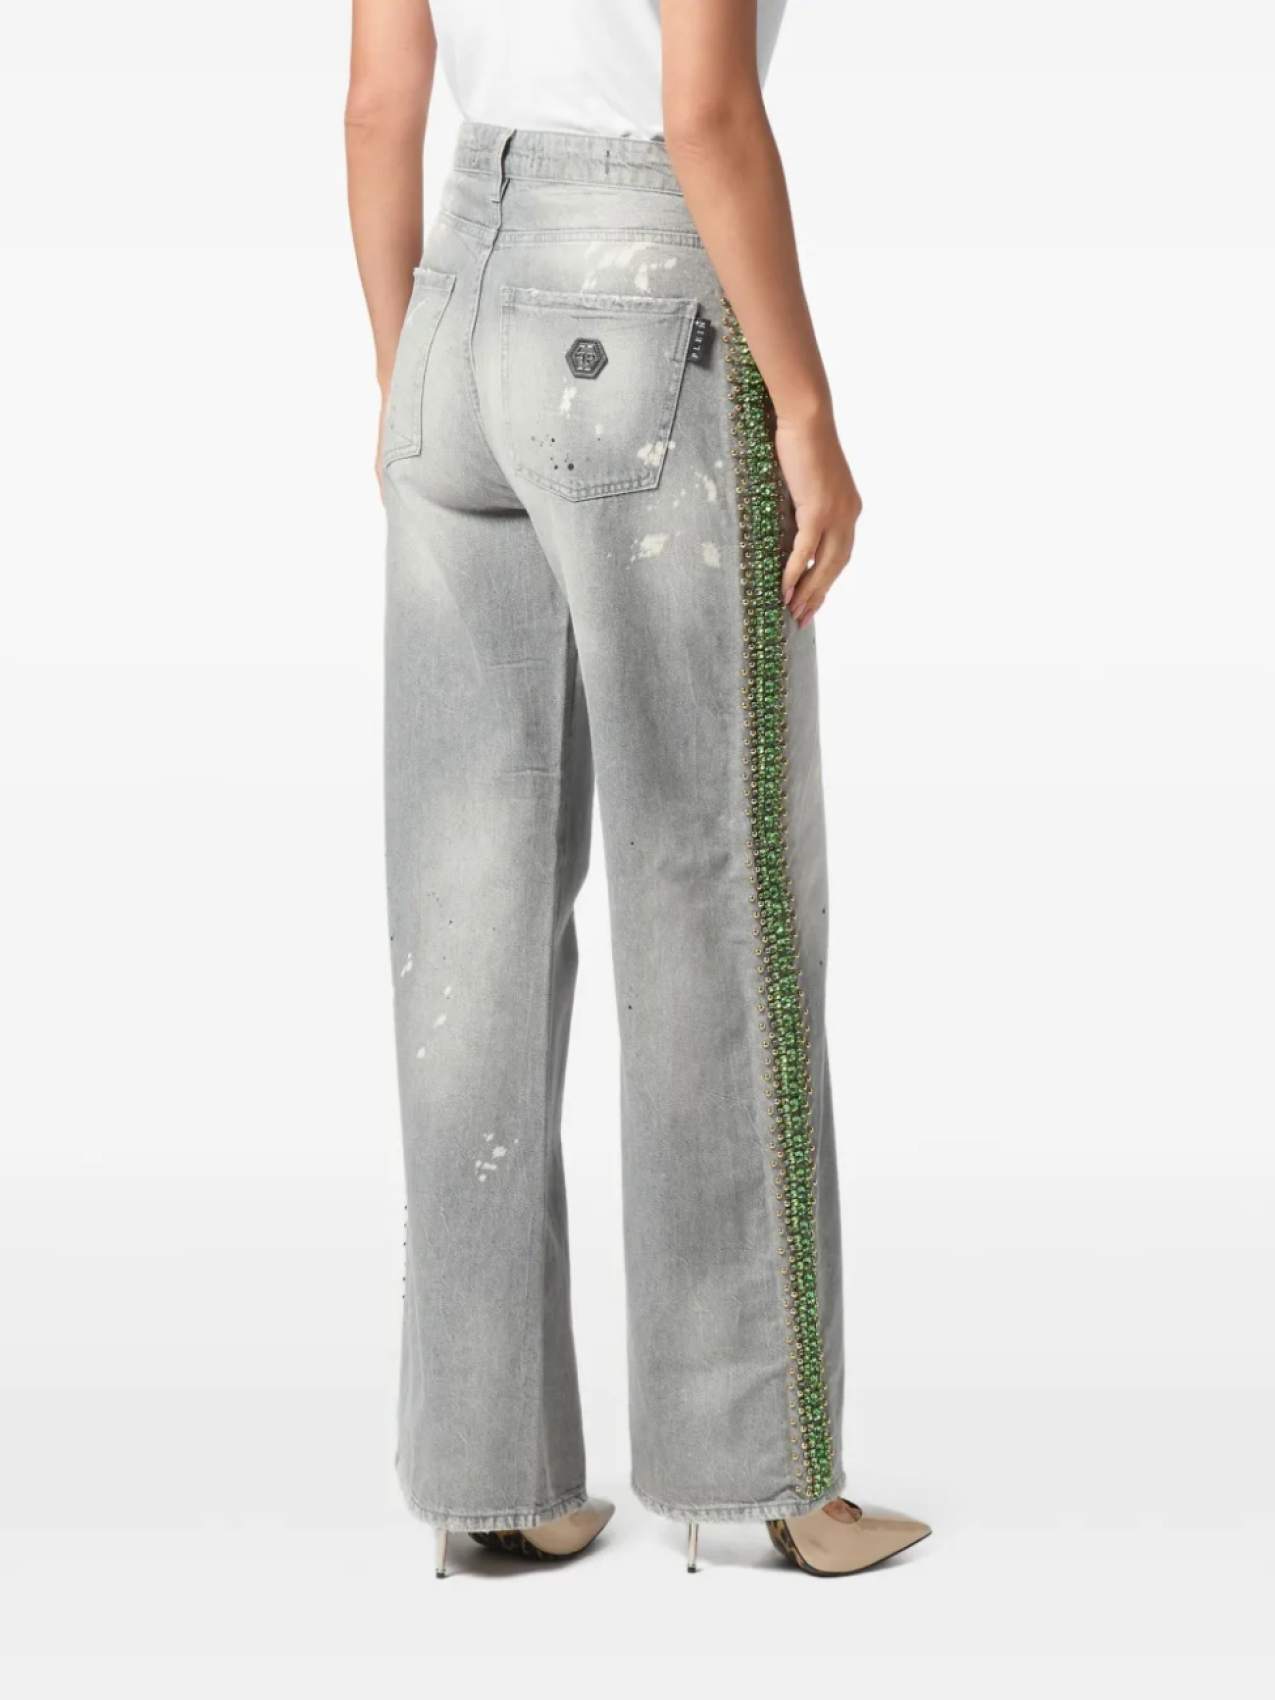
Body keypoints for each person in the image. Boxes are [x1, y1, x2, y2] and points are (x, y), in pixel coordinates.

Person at [345, 0, 929, 1578]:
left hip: (452, 312)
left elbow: (379, 101)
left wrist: (406, 383)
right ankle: (771, 1474)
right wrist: (806, 407)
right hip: (642, 308)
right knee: (709, 886)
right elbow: (707, 115)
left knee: (465, 920)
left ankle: (490, 1471)